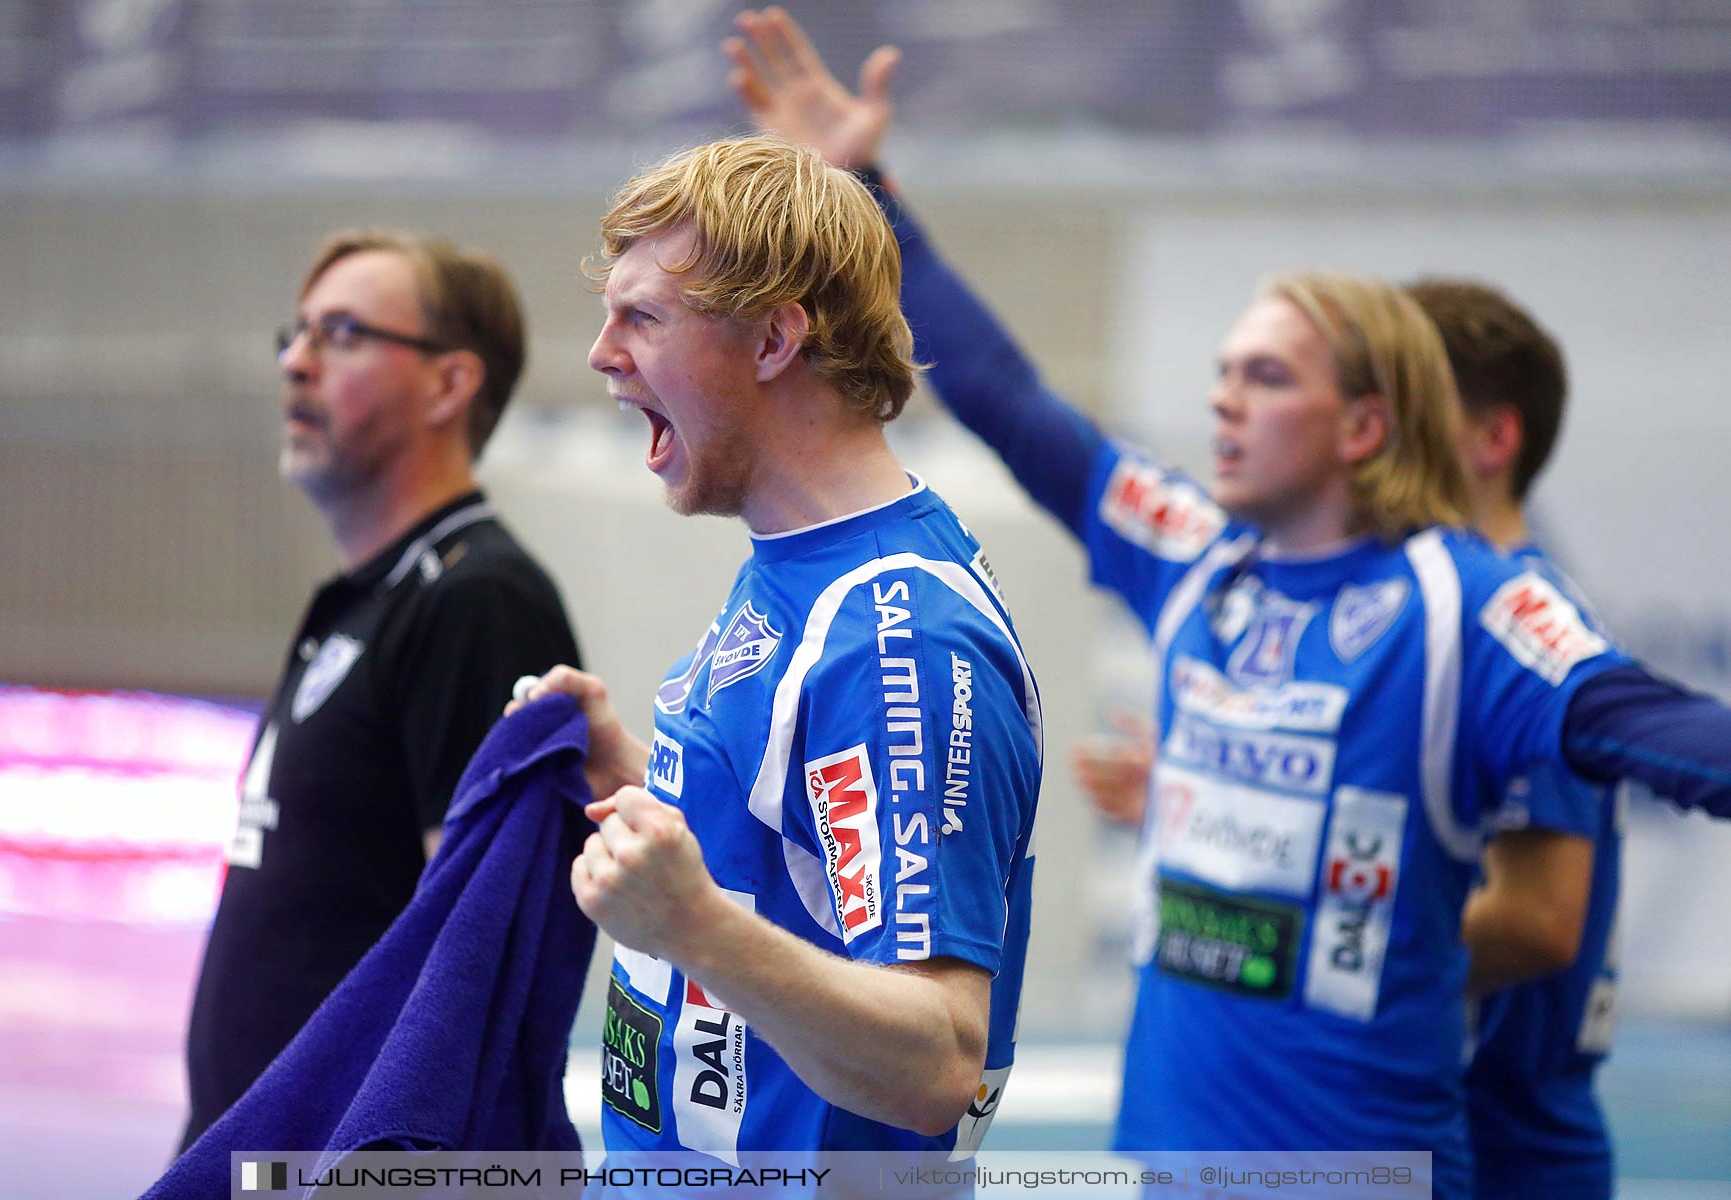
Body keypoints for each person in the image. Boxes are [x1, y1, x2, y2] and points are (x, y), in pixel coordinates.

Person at [723, 8, 1731, 1194]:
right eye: (1220, 376)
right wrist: (866, 191)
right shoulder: (1198, 555)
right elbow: (1006, 399)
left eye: (1266, 378)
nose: (1224, 406)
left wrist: (1304, 921)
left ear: (1363, 424)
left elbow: (1667, 735)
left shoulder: (1469, 604)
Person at [514, 134, 1042, 1162]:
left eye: (644, 318)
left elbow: (938, 1061)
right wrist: (633, 780)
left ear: (771, 341)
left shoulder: (903, 638)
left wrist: (694, 925)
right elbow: (795, 850)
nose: (601, 353)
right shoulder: (800, 559)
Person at [181, 229, 583, 1147]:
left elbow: (475, 960)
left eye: (344, 334)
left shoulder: (477, 602)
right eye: (296, 335)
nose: (296, 364)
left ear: (450, 383)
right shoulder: (368, 601)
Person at [1409, 278, 1620, 1199]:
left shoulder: (1531, 632)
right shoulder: (1438, 620)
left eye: (1410, 408)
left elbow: (1538, 923)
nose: (1367, 434)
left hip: (1510, 1160)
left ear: (1495, 440)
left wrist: (1309, 949)